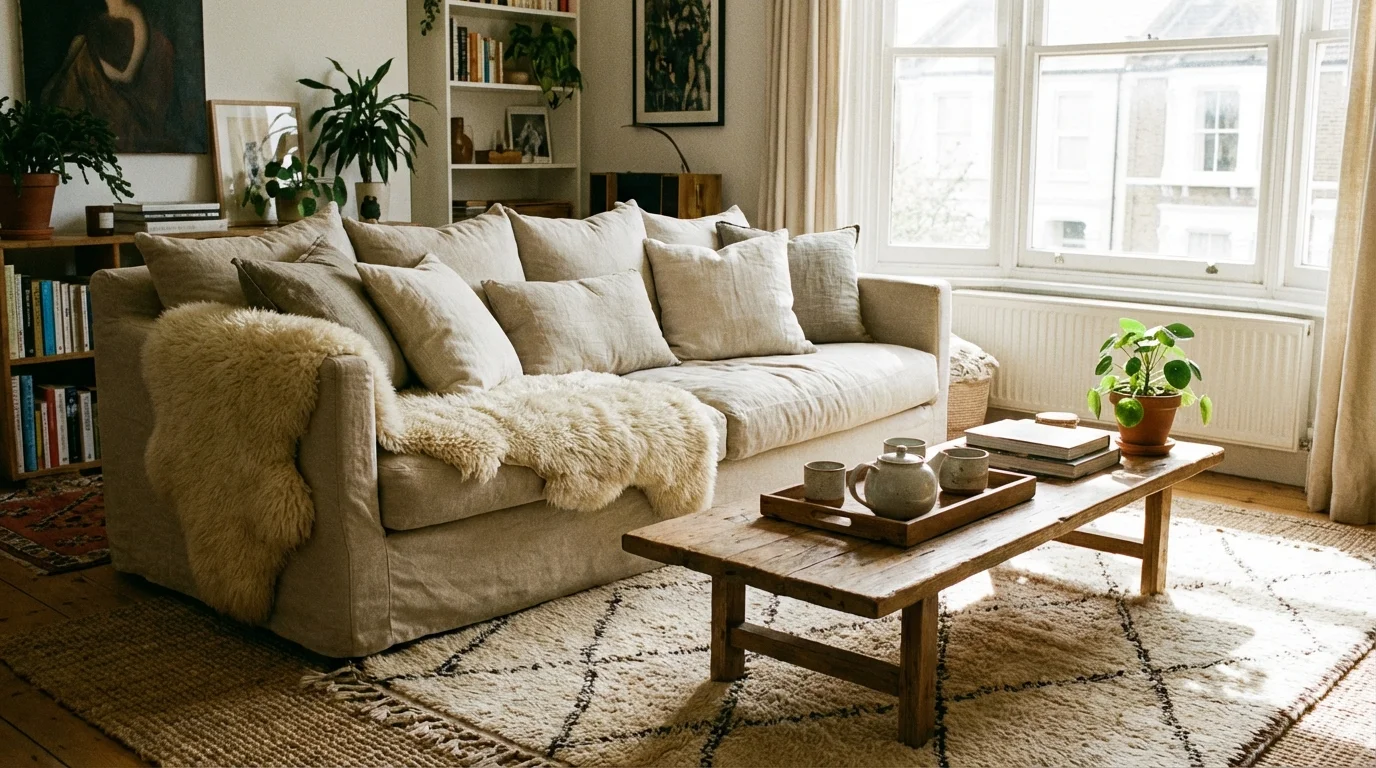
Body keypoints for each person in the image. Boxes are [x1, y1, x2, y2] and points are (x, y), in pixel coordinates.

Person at [40, 0, 177, 151]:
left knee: (84, 60)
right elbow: (66, 68)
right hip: (88, 93)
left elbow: (128, 76)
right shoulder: (95, 21)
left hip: (119, 99)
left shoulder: (135, 15)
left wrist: (96, 64)